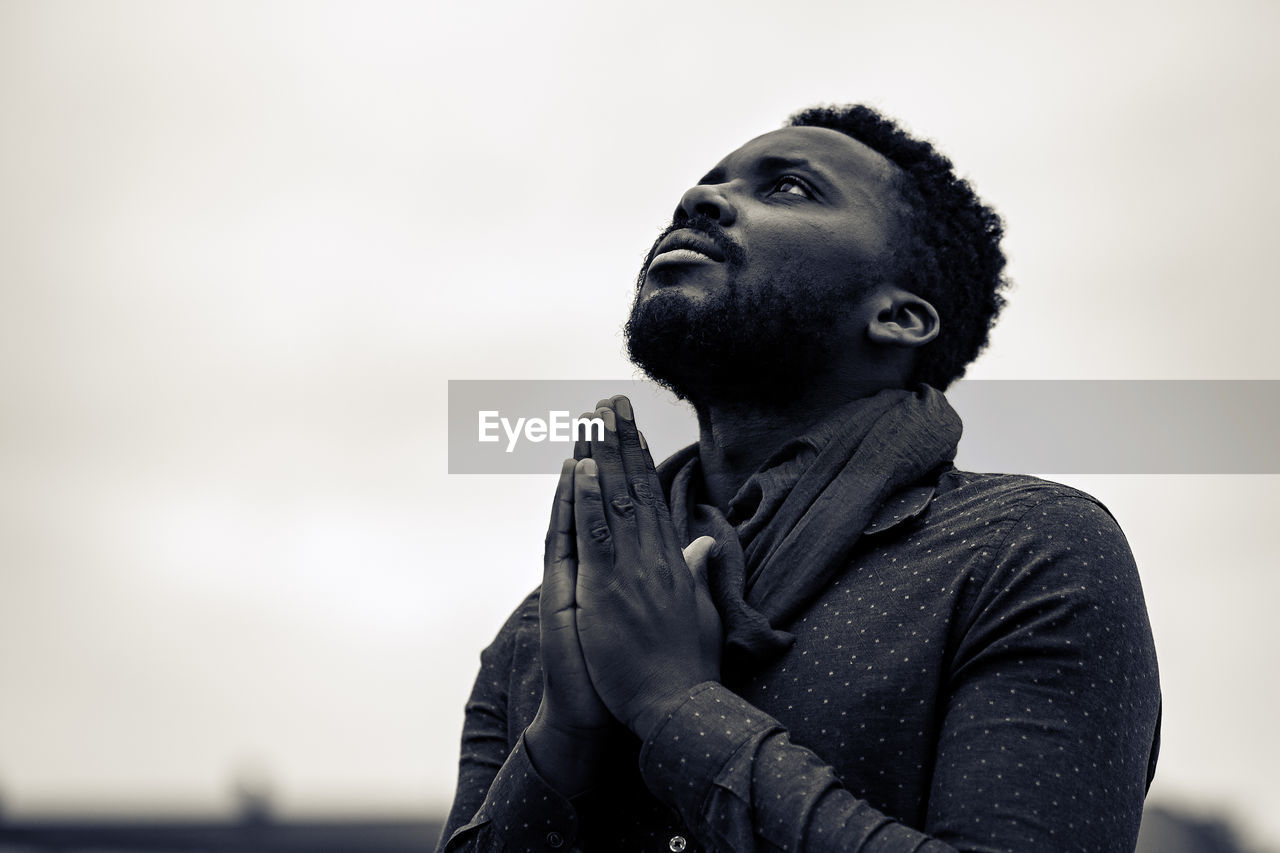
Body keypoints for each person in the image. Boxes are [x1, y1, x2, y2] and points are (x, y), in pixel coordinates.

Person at [436, 104, 1161, 852]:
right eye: (705, 183)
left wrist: (673, 703)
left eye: (786, 188)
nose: (698, 199)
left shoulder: (1025, 552)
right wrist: (564, 737)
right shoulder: (546, 626)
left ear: (900, 316)